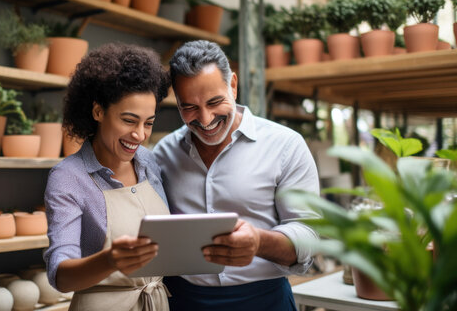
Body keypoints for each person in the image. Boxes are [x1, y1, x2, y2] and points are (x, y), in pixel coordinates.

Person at [153, 40, 320, 311]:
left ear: (233, 84)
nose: (205, 120)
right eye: (189, 107)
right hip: (184, 301)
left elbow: (309, 235)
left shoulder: (286, 146)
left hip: (265, 301)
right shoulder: (163, 154)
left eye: (214, 102)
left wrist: (259, 242)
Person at [44, 43, 172, 311]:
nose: (139, 135)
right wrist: (110, 260)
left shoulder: (149, 162)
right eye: (129, 120)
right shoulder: (68, 177)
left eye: (148, 123)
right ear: (98, 112)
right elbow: (60, 275)